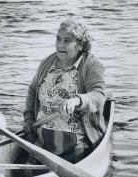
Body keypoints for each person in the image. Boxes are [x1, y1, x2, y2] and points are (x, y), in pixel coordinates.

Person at [23, 19, 107, 164]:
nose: (60, 44)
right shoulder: (46, 63)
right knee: (28, 173)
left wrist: (77, 100)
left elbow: (99, 96)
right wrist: (29, 119)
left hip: (75, 142)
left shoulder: (91, 65)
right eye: (58, 39)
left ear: (80, 45)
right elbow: (32, 90)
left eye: (67, 41)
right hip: (41, 138)